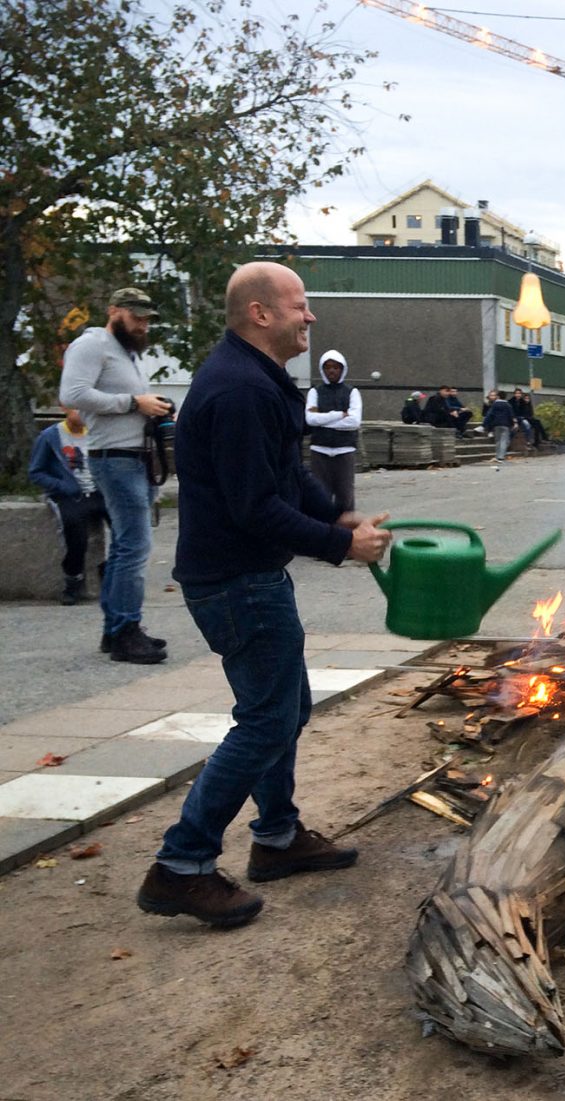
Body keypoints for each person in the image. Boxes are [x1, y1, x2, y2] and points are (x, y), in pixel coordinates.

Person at [137, 261, 392, 929]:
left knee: (286, 706)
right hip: (235, 581)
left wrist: (338, 516)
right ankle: (181, 863)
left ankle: (277, 837)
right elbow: (255, 508)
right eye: (299, 306)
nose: (309, 318)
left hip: (250, 577)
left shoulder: (261, 382)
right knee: (266, 719)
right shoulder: (240, 391)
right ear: (261, 313)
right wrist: (341, 547)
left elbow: (288, 476)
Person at [58, 286, 172, 663]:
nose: (141, 324)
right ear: (114, 311)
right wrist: (132, 402)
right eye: (135, 317)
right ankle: (125, 630)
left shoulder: (125, 352)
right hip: (114, 457)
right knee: (134, 546)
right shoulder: (93, 345)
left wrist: (150, 407)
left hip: (134, 456)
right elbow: (72, 394)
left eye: (145, 319)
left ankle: (117, 629)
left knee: (128, 545)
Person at [28, 407, 109, 606]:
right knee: (75, 533)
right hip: (70, 495)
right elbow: (36, 472)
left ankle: (110, 571)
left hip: (98, 492)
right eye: (77, 409)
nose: (82, 414)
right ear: (65, 408)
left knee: (124, 527)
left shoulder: (96, 432)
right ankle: (73, 580)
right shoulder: (50, 437)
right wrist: (62, 486)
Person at [304, 348, 361, 514]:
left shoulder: (352, 392)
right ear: (322, 369)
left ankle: (347, 532)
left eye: (336, 367)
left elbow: (354, 422)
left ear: (342, 369)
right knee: (320, 495)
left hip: (345, 450)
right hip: (319, 450)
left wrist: (322, 421)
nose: (331, 371)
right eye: (327, 367)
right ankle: (322, 531)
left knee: (345, 496)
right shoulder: (315, 392)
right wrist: (338, 415)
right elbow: (310, 419)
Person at [483, 389, 516, 464]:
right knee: (504, 441)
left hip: (496, 424)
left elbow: (489, 414)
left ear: (498, 396)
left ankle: (497, 455)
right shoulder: (508, 405)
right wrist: (514, 423)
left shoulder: (494, 404)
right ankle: (501, 457)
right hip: (505, 425)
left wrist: (484, 425)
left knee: (498, 440)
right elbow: (511, 415)